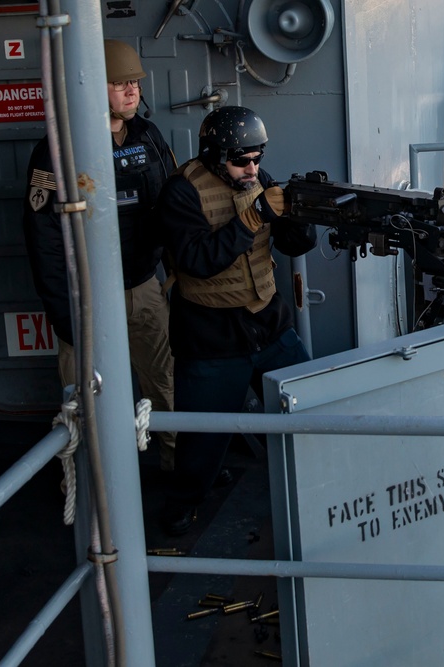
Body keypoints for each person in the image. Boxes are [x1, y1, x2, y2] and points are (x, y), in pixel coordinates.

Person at [156, 105, 317, 536]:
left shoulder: (258, 179)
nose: (252, 168)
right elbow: (195, 261)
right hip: (211, 335)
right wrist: (254, 216)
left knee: (309, 405)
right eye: (242, 160)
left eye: (258, 158)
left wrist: (298, 216)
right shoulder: (181, 192)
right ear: (214, 155)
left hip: (268, 322)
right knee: (202, 442)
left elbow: (292, 245)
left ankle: (320, 487)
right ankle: (180, 510)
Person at [22, 39, 177, 469]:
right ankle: (95, 486)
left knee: (163, 383)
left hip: (144, 286)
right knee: (85, 400)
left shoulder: (147, 135)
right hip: (85, 299)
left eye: (134, 83)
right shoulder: (58, 150)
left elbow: (169, 206)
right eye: (118, 83)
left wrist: (173, 274)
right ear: (94, 89)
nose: (131, 92)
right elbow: (45, 240)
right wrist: (63, 316)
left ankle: (176, 463)